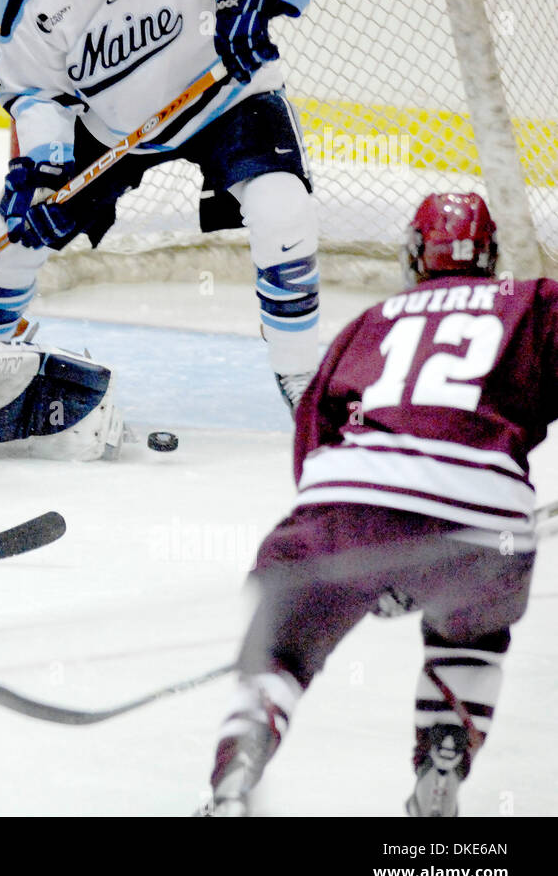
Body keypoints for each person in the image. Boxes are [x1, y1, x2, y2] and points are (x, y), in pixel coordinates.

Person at [0, 0, 338, 412]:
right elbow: (36, 94)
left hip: (226, 100)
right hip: (112, 127)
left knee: (282, 208)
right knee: (8, 237)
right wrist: (41, 166)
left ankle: (299, 380)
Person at [198, 191, 550, 816]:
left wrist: (368, 565)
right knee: (471, 636)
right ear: (491, 256)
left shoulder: (371, 321)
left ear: (415, 257)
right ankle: (442, 762)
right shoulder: (534, 301)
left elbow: (313, 448)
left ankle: (234, 782)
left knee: (282, 653)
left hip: (348, 509)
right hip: (487, 525)